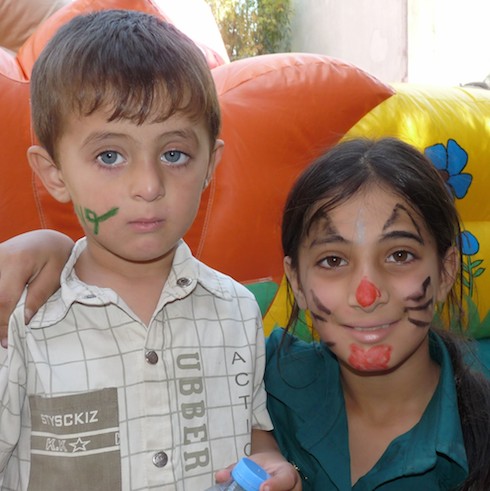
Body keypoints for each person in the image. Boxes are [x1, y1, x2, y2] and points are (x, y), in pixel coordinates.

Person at [0, 10, 299, 491]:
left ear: (209, 165)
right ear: (53, 173)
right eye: (110, 156)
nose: (148, 185)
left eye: (174, 154)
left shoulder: (237, 312)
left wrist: (272, 465)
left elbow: (253, 435)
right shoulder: (22, 321)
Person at [265, 137, 490, 490]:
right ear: (296, 282)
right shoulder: (257, 379)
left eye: (399, 255)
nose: (366, 295)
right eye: (333, 260)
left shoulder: (477, 436)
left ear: (446, 272)